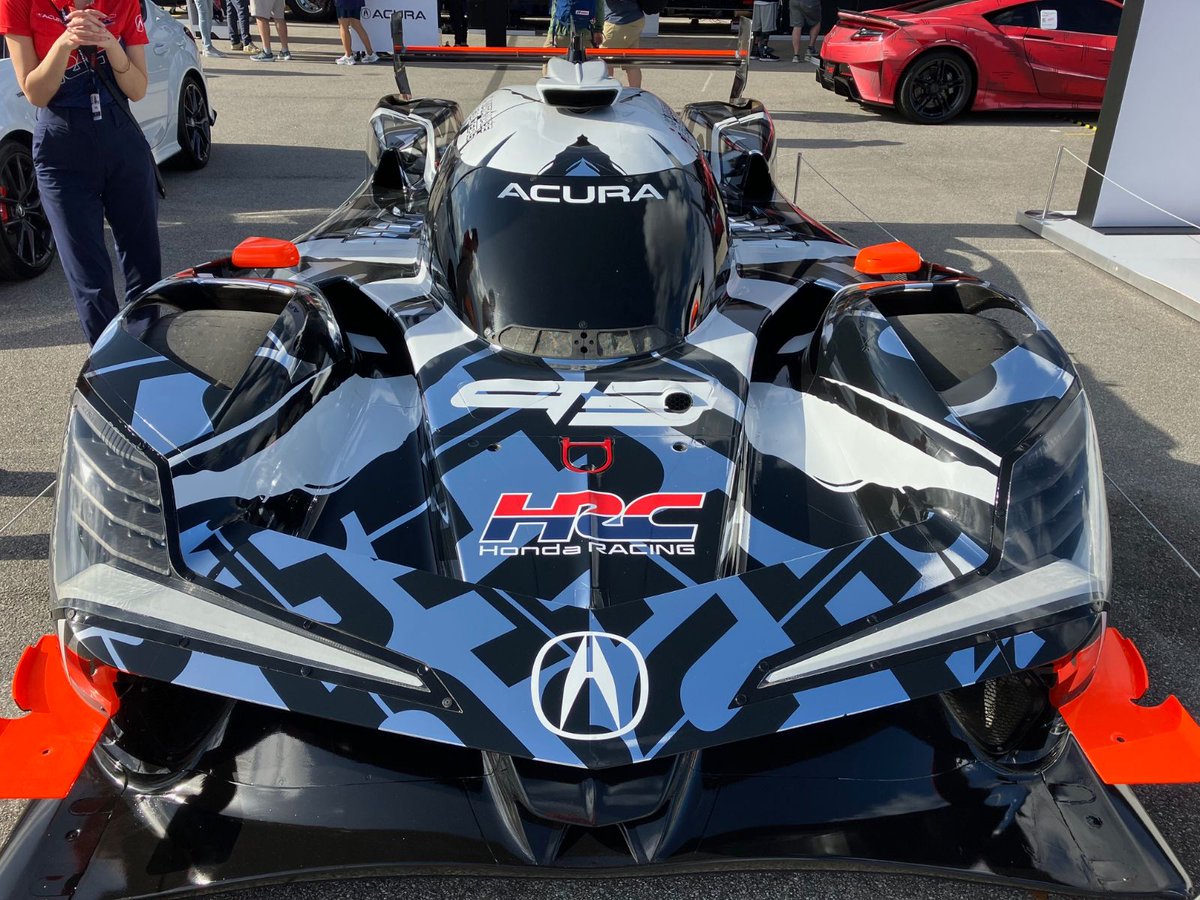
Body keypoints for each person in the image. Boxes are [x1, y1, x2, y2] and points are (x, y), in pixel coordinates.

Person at [0, 0, 162, 345]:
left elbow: (137, 88)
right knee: (87, 273)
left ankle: (147, 350)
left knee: (143, 260)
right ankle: (109, 365)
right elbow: (36, 93)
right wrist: (65, 41)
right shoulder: (18, 4)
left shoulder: (122, 2)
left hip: (122, 139)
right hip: (62, 147)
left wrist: (109, 44)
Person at [599, 0, 641, 88]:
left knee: (604, 62)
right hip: (636, 19)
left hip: (618, 22)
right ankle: (635, 92)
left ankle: (606, 91)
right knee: (631, 62)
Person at [333, 0, 375, 64]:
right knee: (356, 25)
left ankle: (348, 56)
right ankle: (370, 54)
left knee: (343, 27)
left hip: (344, 2)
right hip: (356, 2)